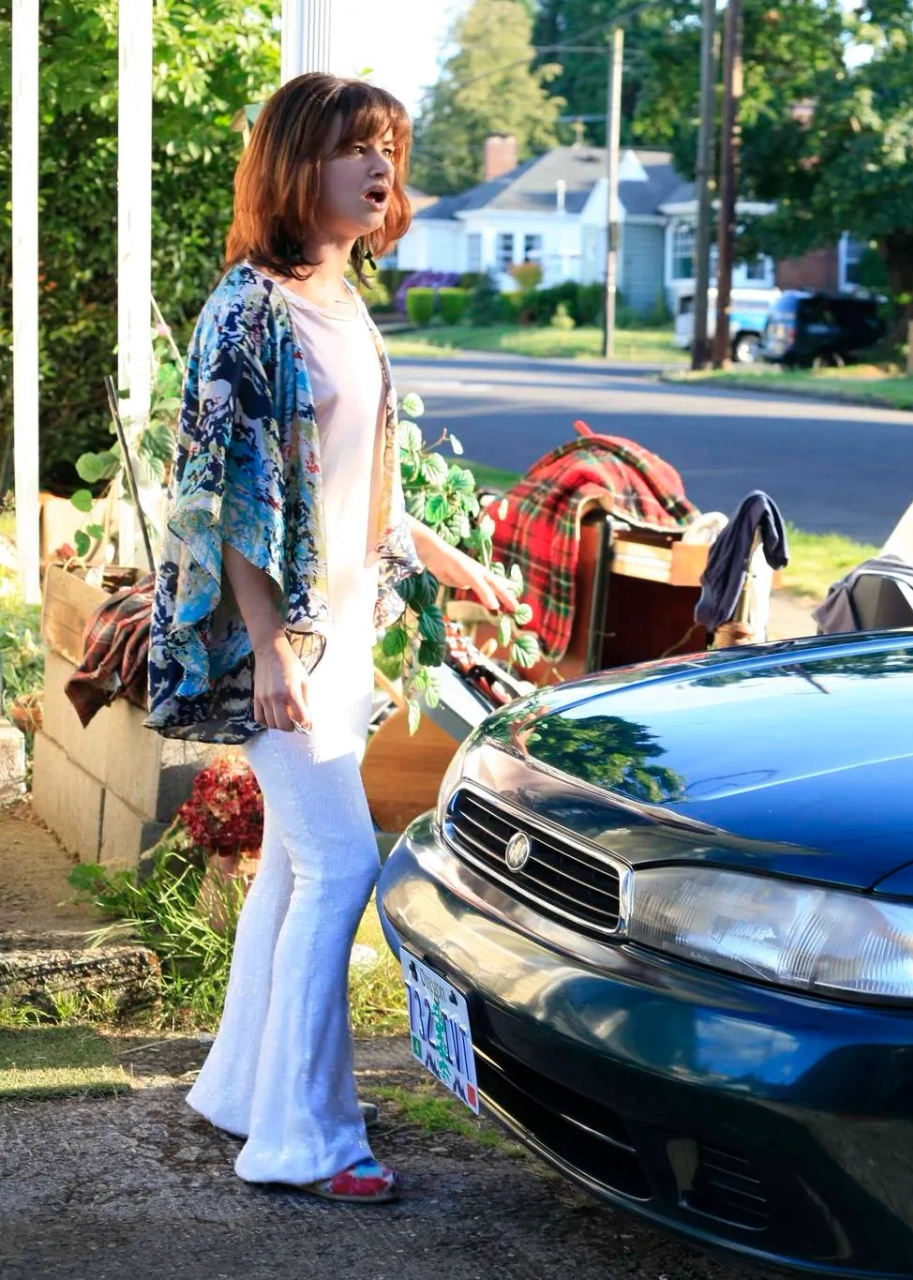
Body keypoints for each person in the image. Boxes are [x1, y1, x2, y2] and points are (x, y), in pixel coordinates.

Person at [145, 73, 521, 1204]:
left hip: (342, 631)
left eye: (390, 148)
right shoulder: (247, 310)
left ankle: (242, 1092)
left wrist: (451, 563)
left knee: (300, 868)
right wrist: (269, 649)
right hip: (287, 643)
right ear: (294, 165)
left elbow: (358, 484)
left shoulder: (344, 298)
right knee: (344, 862)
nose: (381, 169)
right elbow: (226, 501)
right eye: (357, 147)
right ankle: (306, 1139)